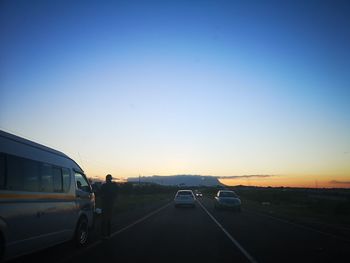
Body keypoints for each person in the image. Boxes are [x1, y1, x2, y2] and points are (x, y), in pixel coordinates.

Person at [100, 174, 118, 239]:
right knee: (108, 220)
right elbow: (116, 193)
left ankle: (104, 234)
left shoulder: (104, 186)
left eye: (108, 179)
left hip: (106, 205)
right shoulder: (113, 185)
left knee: (104, 220)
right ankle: (108, 234)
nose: (108, 180)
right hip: (109, 204)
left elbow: (100, 193)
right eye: (109, 179)